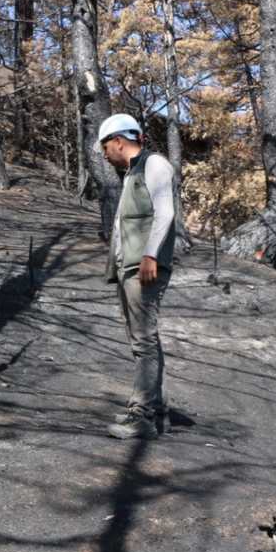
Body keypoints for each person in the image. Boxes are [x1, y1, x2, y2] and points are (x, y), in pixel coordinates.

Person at [98, 113, 178, 440]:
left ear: (119, 141)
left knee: (144, 339)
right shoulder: (132, 173)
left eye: (105, 147)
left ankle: (141, 415)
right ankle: (153, 408)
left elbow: (166, 212)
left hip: (144, 267)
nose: (104, 154)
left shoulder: (154, 164)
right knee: (141, 339)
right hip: (130, 267)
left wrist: (150, 255)